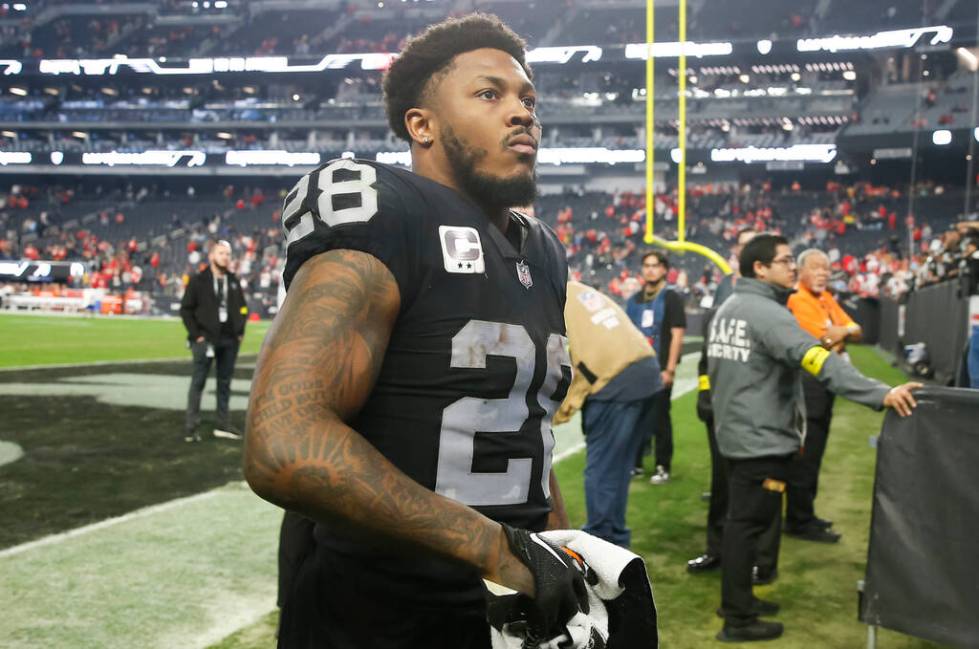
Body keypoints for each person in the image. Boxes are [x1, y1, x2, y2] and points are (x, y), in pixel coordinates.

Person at [245, 15, 589, 648]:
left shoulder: (542, 251)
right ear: (421, 124)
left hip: (499, 619)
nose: (522, 114)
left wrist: (553, 549)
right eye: (490, 94)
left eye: (528, 99)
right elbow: (285, 444)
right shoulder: (386, 211)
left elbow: (520, 425)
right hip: (377, 617)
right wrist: (499, 550)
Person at [708, 234, 921, 642]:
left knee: (741, 523)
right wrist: (881, 393)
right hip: (761, 438)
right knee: (745, 527)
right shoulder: (769, 315)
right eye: (786, 261)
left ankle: (740, 601)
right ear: (760, 268)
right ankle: (737, 619)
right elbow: (821, 362)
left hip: (737, 433)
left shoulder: (731, 306)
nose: (793, 267)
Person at [688, 227, 781, 581]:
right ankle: (718, 549)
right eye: (740, 247)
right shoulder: (725, 293)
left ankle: (762, 561)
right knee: (723, 484)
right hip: (723, 411)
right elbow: (710, 353)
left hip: (758, 411)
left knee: (765, 490)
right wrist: (703, 392)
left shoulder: (775, 300)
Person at [556, 280, 663, 548]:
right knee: (617, 467)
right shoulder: (575, 288)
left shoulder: (545, 296)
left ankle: (601, 542)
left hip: (615, 380)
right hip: (646, 371)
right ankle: (615, 537)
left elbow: (574, 364)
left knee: (602, 470)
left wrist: (558, 414)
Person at [785, 249, 863, 542]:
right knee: (806, 452)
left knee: (816, 451)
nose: (822, 274)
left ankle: (805, 514)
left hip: (824, 384)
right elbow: (822, 341)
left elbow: (857, 331)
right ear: (801, 271)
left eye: (827, 269)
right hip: (809, 383)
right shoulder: (798, 299)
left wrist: (840, 332)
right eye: (816, 268)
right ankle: (798, 519)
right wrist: (840, 333)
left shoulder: (826, 298)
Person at [626, 250, 686, 484]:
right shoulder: (634, 300)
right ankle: (637, 463)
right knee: (637, 418)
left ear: (664, 270)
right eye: (646, 265)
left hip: (659, 369)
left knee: (660, 418)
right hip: (637, 370)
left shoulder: (672, 298)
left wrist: (669, 369)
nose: (650, 269)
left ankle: (663, 465)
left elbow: (677, 334)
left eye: (655, 265)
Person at [179, 240, 247, 442]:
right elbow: (185, 309)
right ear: (211, 256)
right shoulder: (198, 280)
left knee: (224, 383)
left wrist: (239, 332)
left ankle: (223, 424)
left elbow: (243, 308)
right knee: (198, 383)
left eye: (228, 253)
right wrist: (196, 335)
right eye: (221, 253)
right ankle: (191, 427)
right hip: (205, 340)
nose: (225, 257)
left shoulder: (233, 281)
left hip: (229, 341)